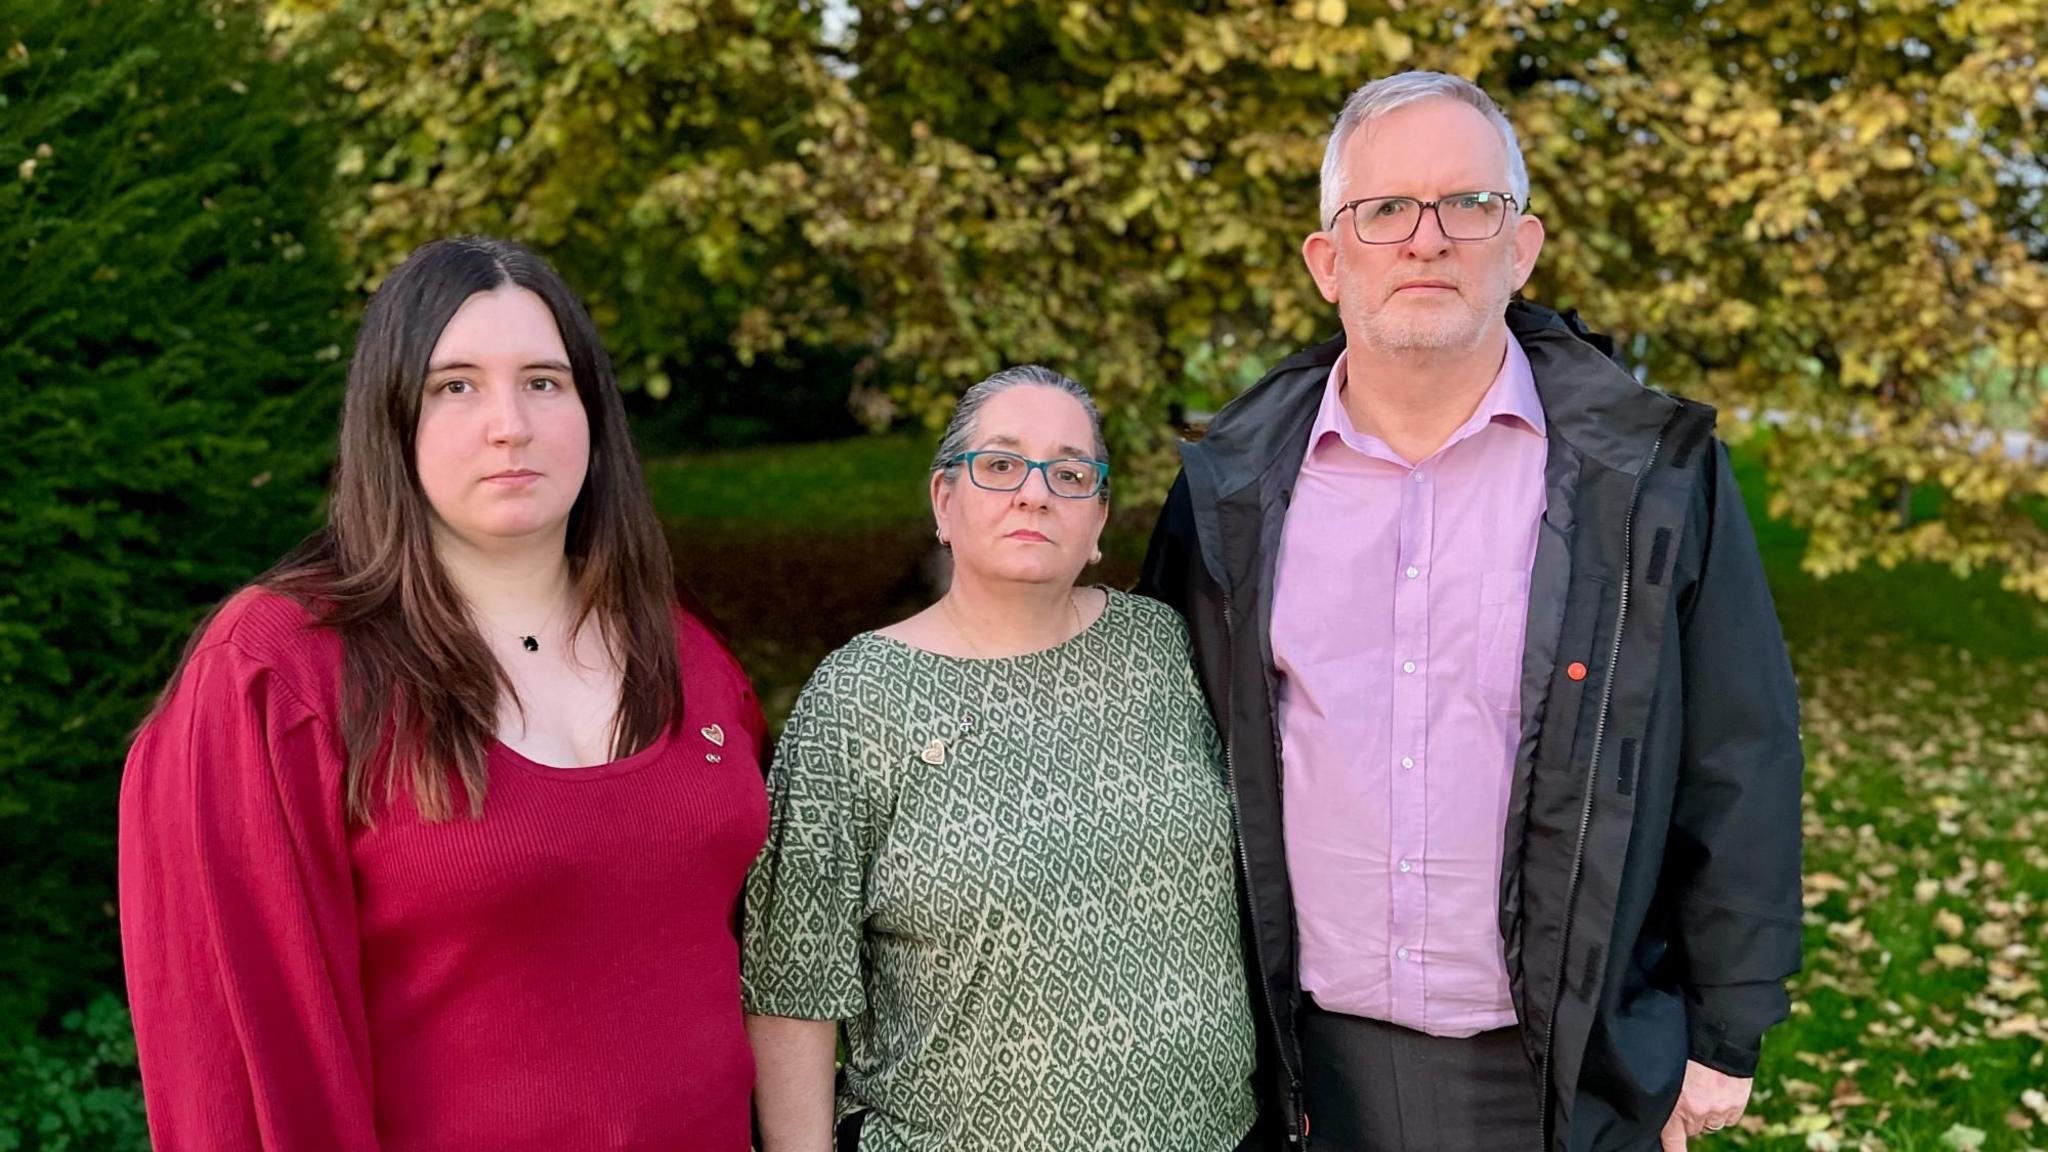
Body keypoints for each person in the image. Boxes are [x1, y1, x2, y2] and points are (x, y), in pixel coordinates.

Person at [1139, 72, 1804, 1152]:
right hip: (1299, 1064)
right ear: (1327, 260)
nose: (1426, 239)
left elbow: (1739, 749)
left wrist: (1726, 1025)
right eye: (1384, 209)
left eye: (1468, 206)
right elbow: (1164, 756)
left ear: (1521, 247)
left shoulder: (1645, 481)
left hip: (1560, 1061)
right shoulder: (1227, 492)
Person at [119, 236, 769, 1151]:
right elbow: (237, 1069)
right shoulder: (281, 671)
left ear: (593, 411)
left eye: (544, 381)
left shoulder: (686, 649)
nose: (509, 423)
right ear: (392, 418)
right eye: (454, 385)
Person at [742, 365, 1259, 1152]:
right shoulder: (856, 699)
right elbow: (792, 981)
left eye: (1070, 472)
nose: (1035, 492)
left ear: (1099, 520)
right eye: (1000, 464)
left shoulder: (1166, 648)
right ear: (944, 502)